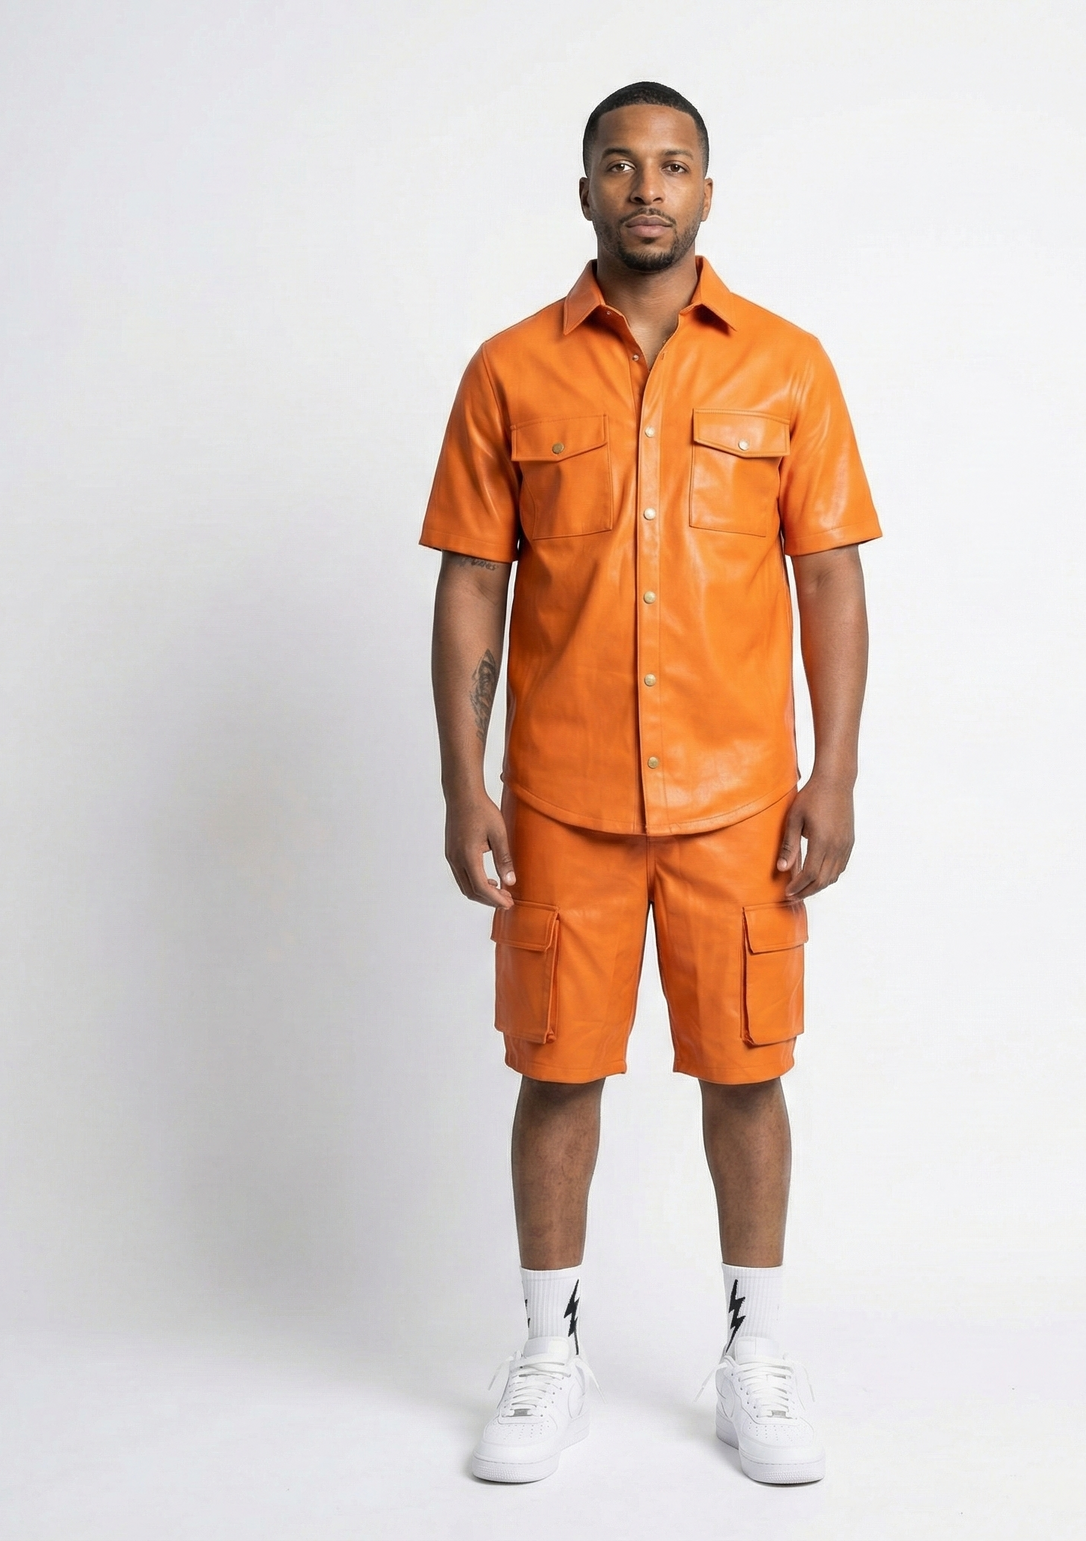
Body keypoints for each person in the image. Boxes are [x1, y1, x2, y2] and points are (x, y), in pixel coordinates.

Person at [422, 80, 880, 1485]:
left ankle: (757, 1356)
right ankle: (547, 1353)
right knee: (556, 1072)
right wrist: (463, 782)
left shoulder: (788, 366)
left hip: (741, 800)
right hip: (559, 798)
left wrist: (834, 773)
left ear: (707, 193)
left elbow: (830, 579)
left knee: (747, 1074)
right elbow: (471, 586)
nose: (645, 187)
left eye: (672, 165)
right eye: (619, 164)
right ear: (584, 192)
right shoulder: (510, 371)